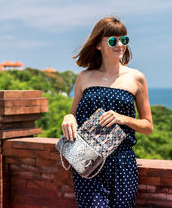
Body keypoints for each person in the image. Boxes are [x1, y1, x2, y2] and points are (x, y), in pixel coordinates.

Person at [61, 16, 153, 208]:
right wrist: (68, 117)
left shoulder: (136, 78)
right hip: (87, 159)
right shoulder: (84, 77)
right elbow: (73, 113)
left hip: (123, 162)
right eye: (113, 40)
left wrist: (123, 119)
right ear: (98, 45)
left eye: (124, 39)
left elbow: (148, 126)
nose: (120, 45)